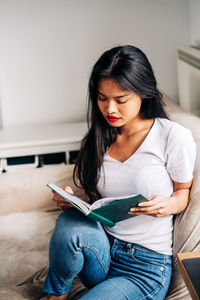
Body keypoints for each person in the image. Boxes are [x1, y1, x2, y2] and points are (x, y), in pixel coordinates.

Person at [41, 45, 196, 300]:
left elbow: (183, 191)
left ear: (143, 93)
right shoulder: (100, 137)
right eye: (102, 98)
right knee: (69, 222)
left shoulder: (171, 136)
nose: (110, 109)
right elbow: (100, 200)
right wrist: (72, 200)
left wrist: (168, 205)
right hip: (104, 250)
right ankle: (56, 294)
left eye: (120, 99)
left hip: (145, 268)